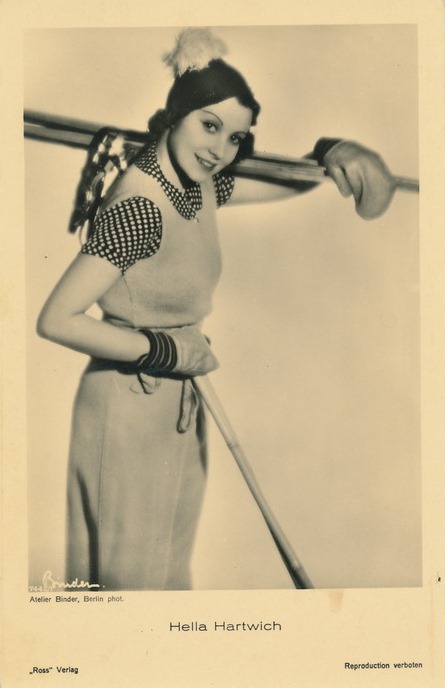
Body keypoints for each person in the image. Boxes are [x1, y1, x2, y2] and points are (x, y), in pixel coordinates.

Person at [37, 28, 396, 591]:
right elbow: (56, 319)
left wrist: (329, 153)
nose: (220, 150)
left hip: (177, 400)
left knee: (167, 575)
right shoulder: (140, 208)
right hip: (125, 407)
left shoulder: (196, 185)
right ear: (176, 115)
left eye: (235, 138)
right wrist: (165, 349)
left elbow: (283, 184)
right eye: (210, 126)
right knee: (129, 589)